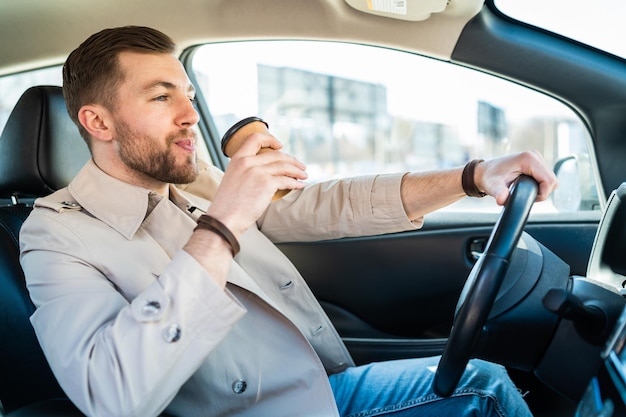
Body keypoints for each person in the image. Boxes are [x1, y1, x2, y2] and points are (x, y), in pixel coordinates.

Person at [19, 26, 558, 417]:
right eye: (162, 97)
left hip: (319, 387)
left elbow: (326, 204)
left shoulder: (191, 183)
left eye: (187, 93)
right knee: (483, 390)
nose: (190, 114)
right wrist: (225, 220)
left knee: (480, 377)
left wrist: (473, 175)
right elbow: (112, 394)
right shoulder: (55, 234)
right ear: (97, 121)